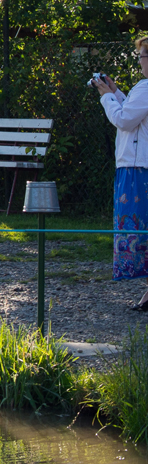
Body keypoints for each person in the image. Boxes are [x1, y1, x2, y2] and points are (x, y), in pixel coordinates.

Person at [93, 36, 148, 311]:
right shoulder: (142, 90)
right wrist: (116, 93)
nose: (139, 61)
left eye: (141, 56)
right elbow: (135, 113)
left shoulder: (146, 87)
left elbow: (124, 120)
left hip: (138, 169)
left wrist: (106, 97)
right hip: (141, 165)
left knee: (139, 229)